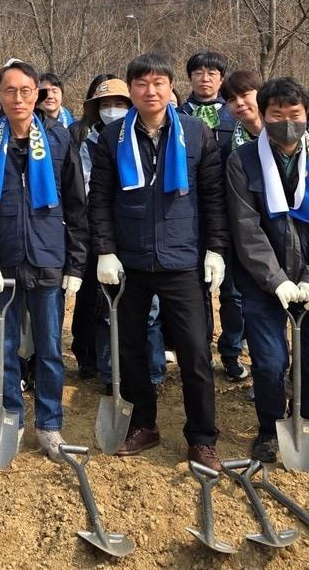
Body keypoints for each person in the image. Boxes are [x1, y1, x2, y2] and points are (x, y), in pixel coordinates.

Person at [89, 53, 228, 470]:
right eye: (141, 84)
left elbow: (213, 197)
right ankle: (143, 424)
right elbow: (100, 199)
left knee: (195, 353)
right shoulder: (112, 137)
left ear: (171, 88)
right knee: (131, 348)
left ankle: (202, 438)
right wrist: (105, 250)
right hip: (130, 261)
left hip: (182, 259)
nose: (150, 91)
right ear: (131, 89)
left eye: (158, 83)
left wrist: (216, 248)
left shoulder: (196, 132)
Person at [0, 59, 88, 460]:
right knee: (5, 347)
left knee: (50, 348)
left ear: (38, 94)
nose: (18, 98)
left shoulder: (58, 140)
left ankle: (49, 424)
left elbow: (77, 206)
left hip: (48, 258)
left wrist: (76, 264)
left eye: (25, 91)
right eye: (9, 91)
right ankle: (11, 417)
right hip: (3, 262)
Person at [225, 78, 309, 462]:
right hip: (263, 282)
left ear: (306, 113)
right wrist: (275, 279)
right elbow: (245, 227)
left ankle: (308, 418)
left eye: (294, 113)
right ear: (263, 115)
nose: (287, 122)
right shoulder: (243, 160)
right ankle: (270, 426)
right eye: (276, 114)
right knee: (270, 361)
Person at [68, 76, 168, 389]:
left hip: (142, 232)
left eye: (119, 104)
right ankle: (110, 372)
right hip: (102, 232)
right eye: (106, 104)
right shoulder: (89, 141)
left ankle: (153, 371)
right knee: (107, 306)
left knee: (150, 308)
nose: (112, 110)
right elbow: (86, 188)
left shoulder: (148, 136)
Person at [212, 70, 263, 383]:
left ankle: (268, 368)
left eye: (245, 95)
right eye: (232, 99)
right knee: (233, 296)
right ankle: (231, 353)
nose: (240, 103)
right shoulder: (228, 140)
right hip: (236, 230)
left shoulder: (285, 134)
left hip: (277, 233)